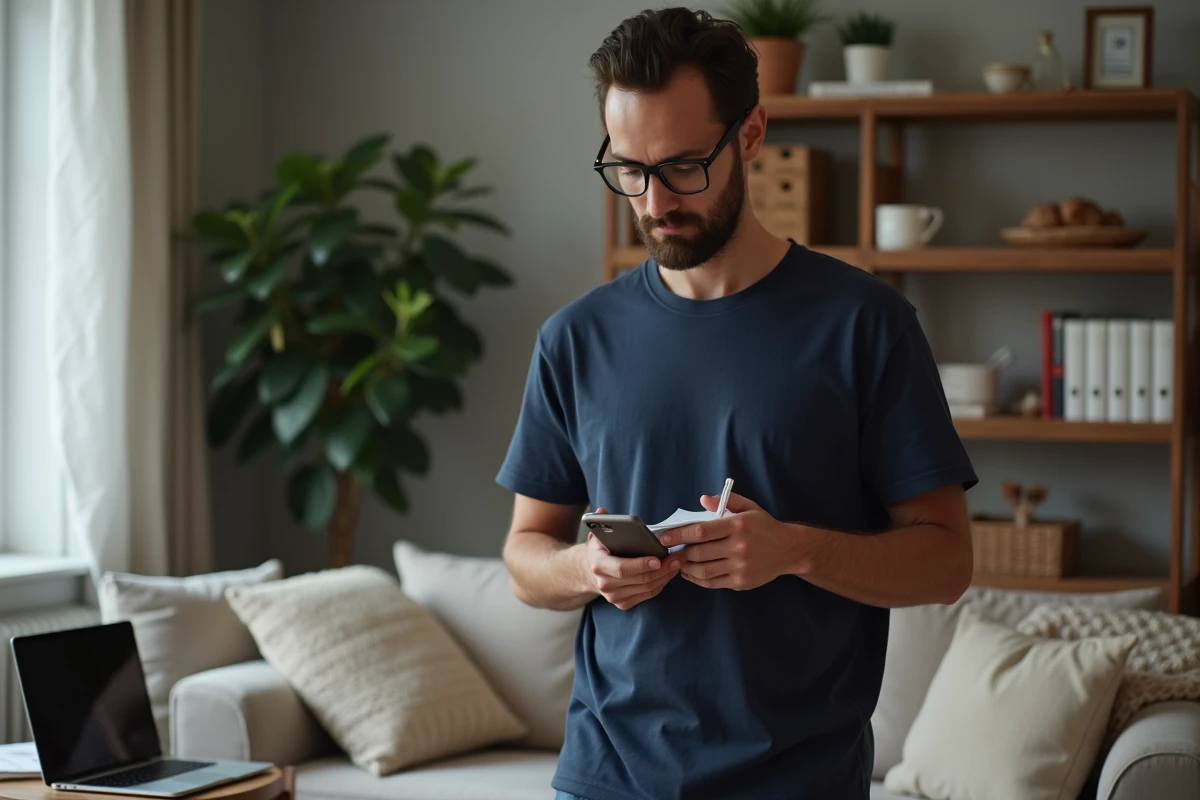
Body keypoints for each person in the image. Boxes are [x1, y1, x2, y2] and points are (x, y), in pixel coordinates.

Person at [495, 7, 978, 800]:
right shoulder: (574, 338)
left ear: (751, 135)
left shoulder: (866, 325)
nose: (653, 202)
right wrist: (587, 567)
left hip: (800, 782)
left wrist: (794, 550)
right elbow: (524, 556)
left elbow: (947, 562)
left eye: (684, 166)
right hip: (604, 777)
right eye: (628, 168)